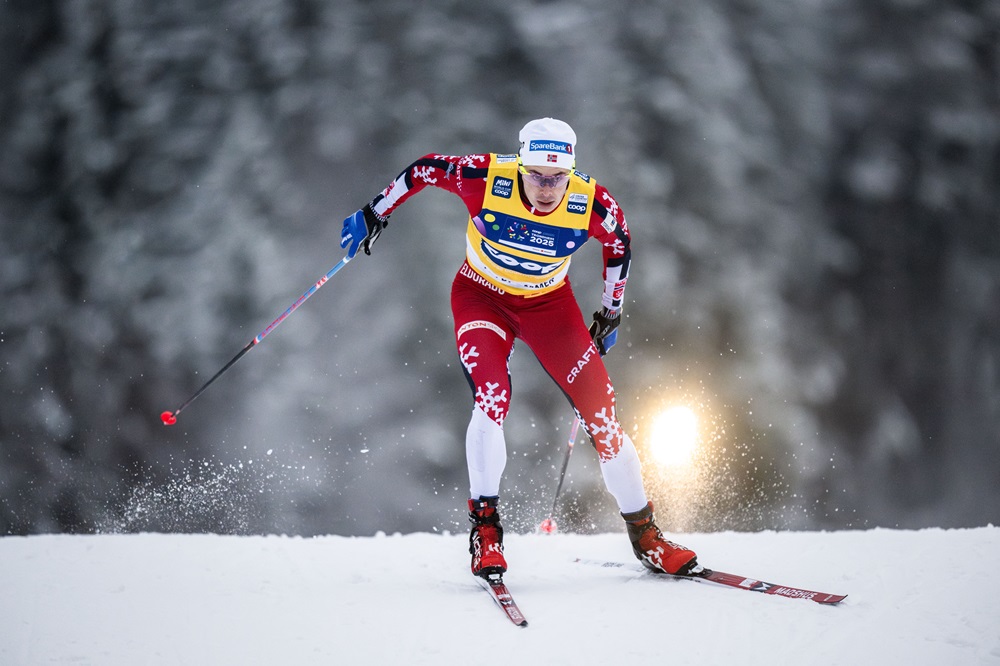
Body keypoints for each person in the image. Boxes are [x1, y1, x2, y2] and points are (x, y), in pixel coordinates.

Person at [340, 118, 697, 580]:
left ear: (571, 173)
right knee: (492, 397)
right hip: (480, 295)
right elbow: (425, 169)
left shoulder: (593, 203)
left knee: (603, 417)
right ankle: (486, 533)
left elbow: (619, 246)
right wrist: (375, 211)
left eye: (557, 178)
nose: (547, 188)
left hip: (550, 307)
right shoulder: (486, 178)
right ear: (520, 166)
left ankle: (647, 538)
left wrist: (611, 311)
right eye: (536, 176)